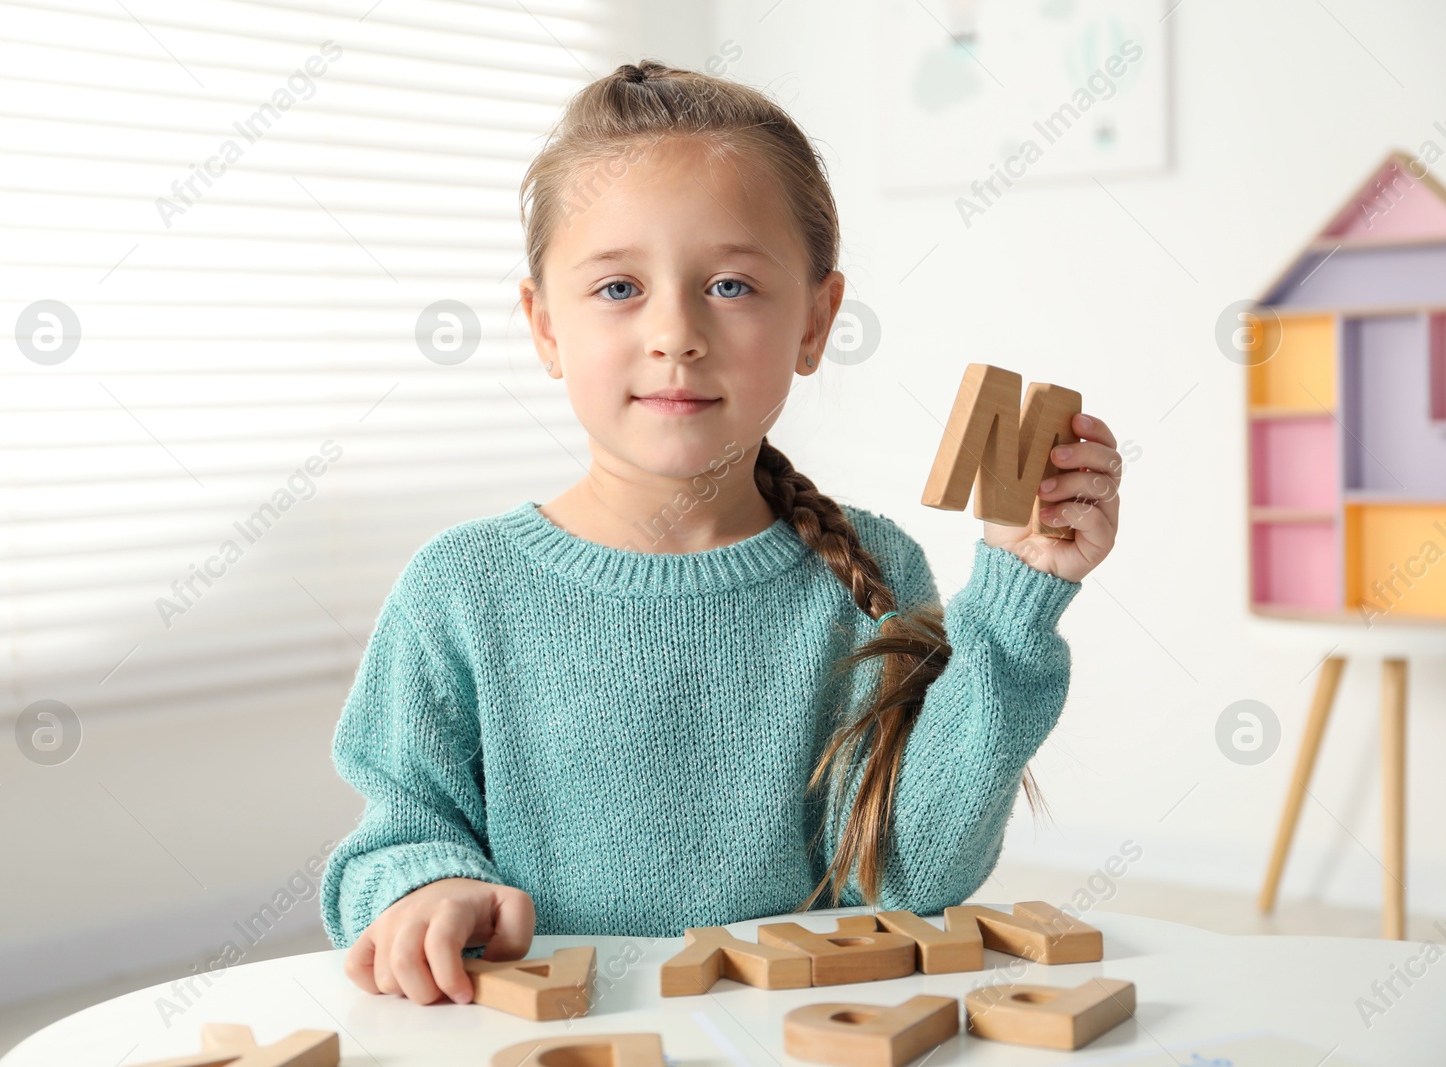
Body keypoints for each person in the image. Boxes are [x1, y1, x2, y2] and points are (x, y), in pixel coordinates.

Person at [321, 59, 1123, 1006]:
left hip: (791, 1033)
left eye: (732, 286)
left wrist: (1017, 596)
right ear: (544, 327)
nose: (677, 332)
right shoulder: (459, 588)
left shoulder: (869, 573)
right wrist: (426, 889)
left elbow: (911, 875)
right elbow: (397, 834)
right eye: (618, 288)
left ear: (817, 322)